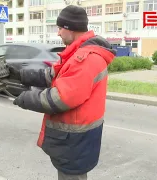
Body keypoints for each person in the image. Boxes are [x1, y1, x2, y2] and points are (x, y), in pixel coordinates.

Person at [8, 5, 116, 180]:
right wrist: (19, 74)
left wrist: (25, 98)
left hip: (74, 143)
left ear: (70, 28)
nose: (58, 33)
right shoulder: (76, 54)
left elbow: (60, 99)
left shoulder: (86, 59)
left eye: (59, 28)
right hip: (75, 142)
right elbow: (51, 75)